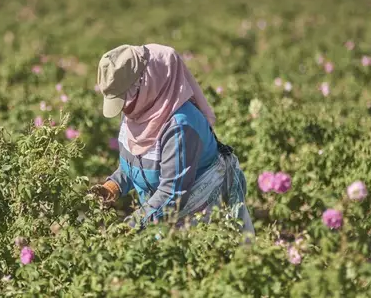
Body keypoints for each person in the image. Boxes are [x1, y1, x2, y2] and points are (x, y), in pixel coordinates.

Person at [90, 43, 254, 234]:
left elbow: (172, 193)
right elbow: (136, 163)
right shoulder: (137, 111)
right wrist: (113, 185)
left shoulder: (180, 126)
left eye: (123, 100)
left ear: (145, 86)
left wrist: (131, 226)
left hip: (199, 218)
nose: (123, 109)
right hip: (158, 213)